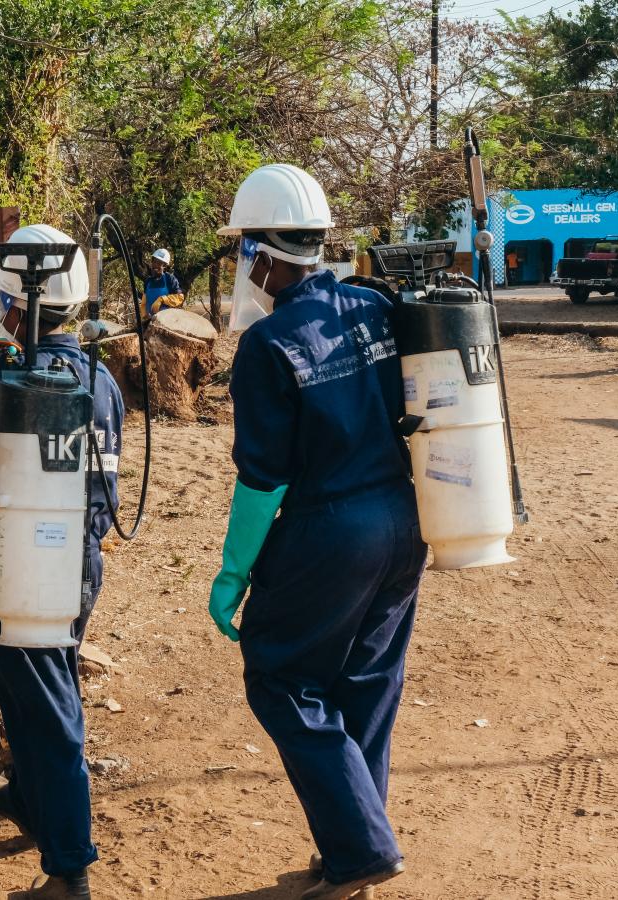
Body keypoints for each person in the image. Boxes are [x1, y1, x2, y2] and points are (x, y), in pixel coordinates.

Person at [208, 164, 427, 900]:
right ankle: (353, 850)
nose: (247, 265)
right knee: (366, 681)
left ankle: (362, 849)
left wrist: (234, 573)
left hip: (334, 531)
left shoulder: (268, 347)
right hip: (404, 522)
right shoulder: (371, 304)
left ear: (266, 253)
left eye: (245, 248)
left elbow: (262, 479)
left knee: (283, 677)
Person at [0, 224, 124, 900]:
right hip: (77, 562)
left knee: (47, 707)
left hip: (23, 566)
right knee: (37, 689)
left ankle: (70, 867)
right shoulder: (102, 379)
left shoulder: (3, 381)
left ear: (20, 306)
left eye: (7, 302)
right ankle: (28, 799)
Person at [143, 247, 184, 318]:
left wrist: (162, 299)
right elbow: (144, 302)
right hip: (150, 321)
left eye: (159, 263)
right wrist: (144, 314)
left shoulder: (169, 279)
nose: (155, 265)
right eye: (154, 262)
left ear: (164, 266)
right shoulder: (148, 281)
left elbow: (180, 297)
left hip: (167, 320)